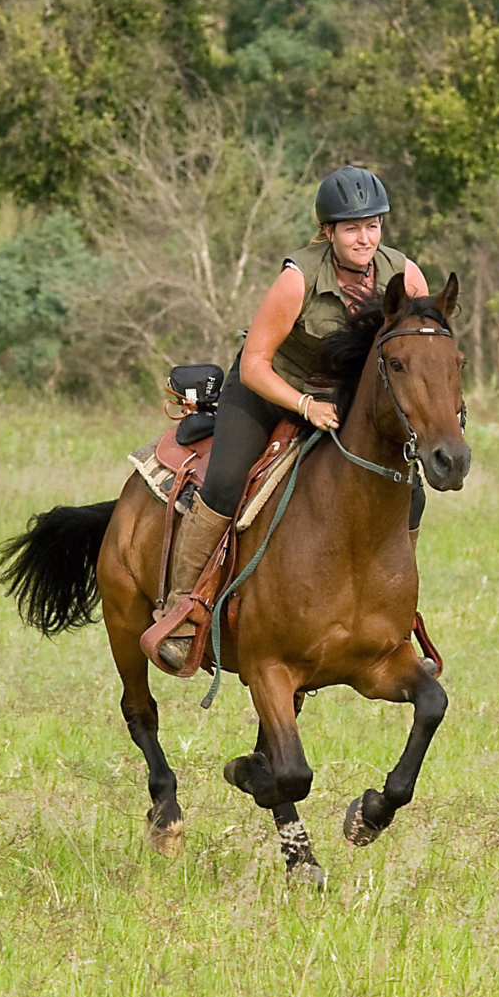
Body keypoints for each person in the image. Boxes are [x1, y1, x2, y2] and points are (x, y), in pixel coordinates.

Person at [153, 165, 430, 671]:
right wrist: (304, 406)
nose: (364, 238)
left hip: (345, 399)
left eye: (372, 225)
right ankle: (183, 609)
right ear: (328, 232)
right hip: (267, 390)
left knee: (409, 489)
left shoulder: (406, 275)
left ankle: (397, 611)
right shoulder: (296, 279)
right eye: (351, 228)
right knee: (225, 482)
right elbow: (256, 363)